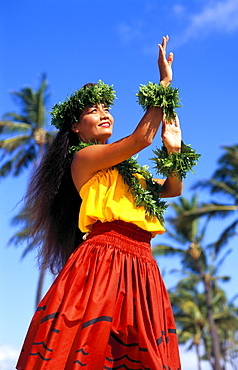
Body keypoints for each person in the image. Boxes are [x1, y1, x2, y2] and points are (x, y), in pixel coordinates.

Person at [16, 36, 199, 370]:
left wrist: (174, 151)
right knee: (90, 350)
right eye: (92, 110)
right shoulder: (83, 160)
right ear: (75, 126)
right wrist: (164, 84)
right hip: (103, 259)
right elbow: (142, 138)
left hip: (143, 265)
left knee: (144, 357)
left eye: (106, 108)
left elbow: (173, 189)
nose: (103, 114)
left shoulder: (128, 172)